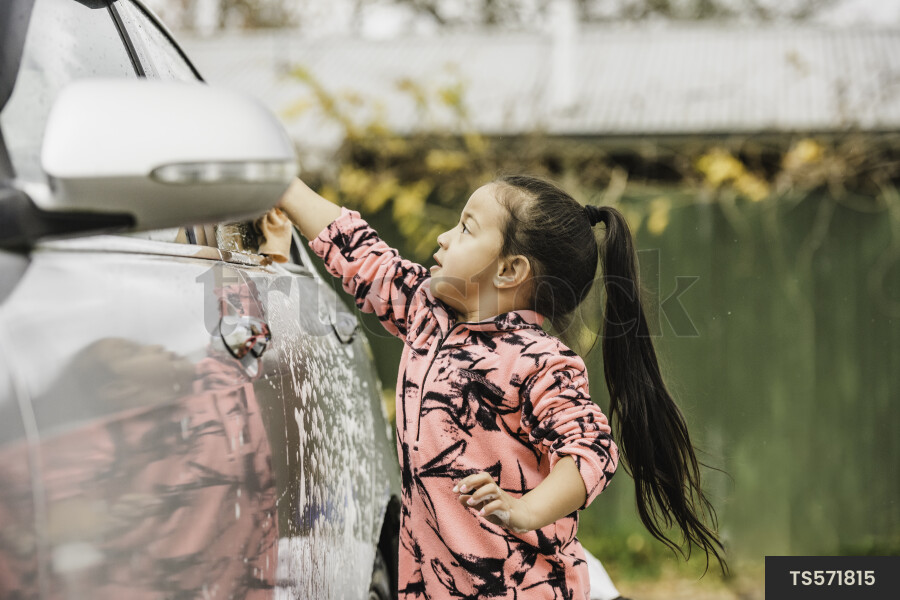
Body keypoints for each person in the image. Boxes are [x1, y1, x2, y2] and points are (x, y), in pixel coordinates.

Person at [277, 174, 726, 599]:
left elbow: (590, 451)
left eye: (466, 229)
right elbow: (359, 253)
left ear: (510, 270)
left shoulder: (539, 360)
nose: (444, 238)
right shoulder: (427, 317)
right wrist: (282, 186)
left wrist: (524, 510)